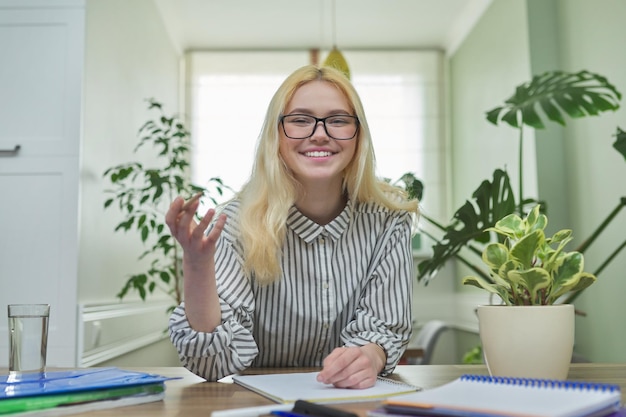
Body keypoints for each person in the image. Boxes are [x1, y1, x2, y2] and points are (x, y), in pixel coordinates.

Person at [166, 64, 419, 389]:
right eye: (300, 120)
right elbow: (212, 363)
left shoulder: (388, 221)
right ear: (277, 135)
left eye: (338, 120)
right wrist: (197, 266)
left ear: (358, 136)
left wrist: (368, 358)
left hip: (351, 402)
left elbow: (383, 331)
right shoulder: (233, 225)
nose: (320, 133)